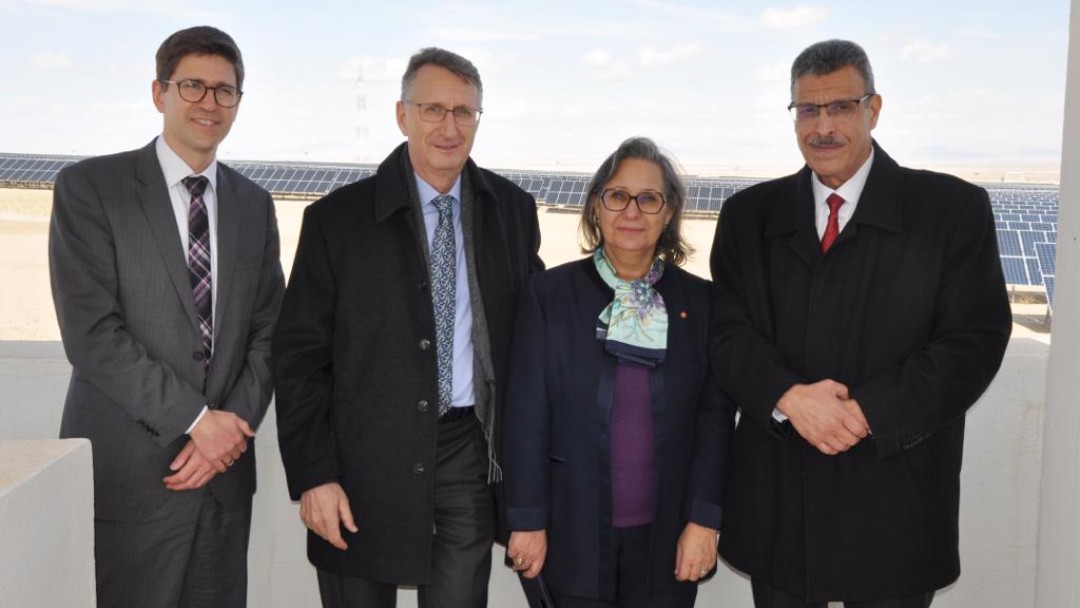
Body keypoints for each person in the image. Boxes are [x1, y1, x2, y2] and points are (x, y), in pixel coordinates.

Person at [709, 39, 1012, 608]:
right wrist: (790, 398)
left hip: (895, 498)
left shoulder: (951, 210)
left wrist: (866, 412)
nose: (823, 127)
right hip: (780, 496)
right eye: (808, 110)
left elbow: (973, 341)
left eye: (841, 107)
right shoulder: (748, 216)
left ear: (873, 110)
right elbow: (728, 333)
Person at [273, 47, 544, 608]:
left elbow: (537, 331)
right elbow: (299, 359)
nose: (449, 126)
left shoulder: (512, 212)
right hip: (358, 463)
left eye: (464, 112)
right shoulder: (336, 221)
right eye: (433, 109)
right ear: (402, 114)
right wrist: (313, 475)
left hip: (466, 457)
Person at [49, 25, 284, 608]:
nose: (210, 103)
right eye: (193, 86)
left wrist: (225, 435)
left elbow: (270, 330)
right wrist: (196, 420)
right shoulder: (91, 188)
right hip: (131, 476)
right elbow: (92, 334)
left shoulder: (254, 204)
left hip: (222, 483)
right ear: (160, 94)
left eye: (224, 91)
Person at [503, 137, 736, 607]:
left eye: (649, 199)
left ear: (669, 213)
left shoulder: (701, 302)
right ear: (596, 206)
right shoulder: (549, 295)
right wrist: (526, 520)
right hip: (572, 533)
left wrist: (704, 520)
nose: (632, 211)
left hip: (668, 539)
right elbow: (526, 414)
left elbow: (714, 420)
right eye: (618, 196)